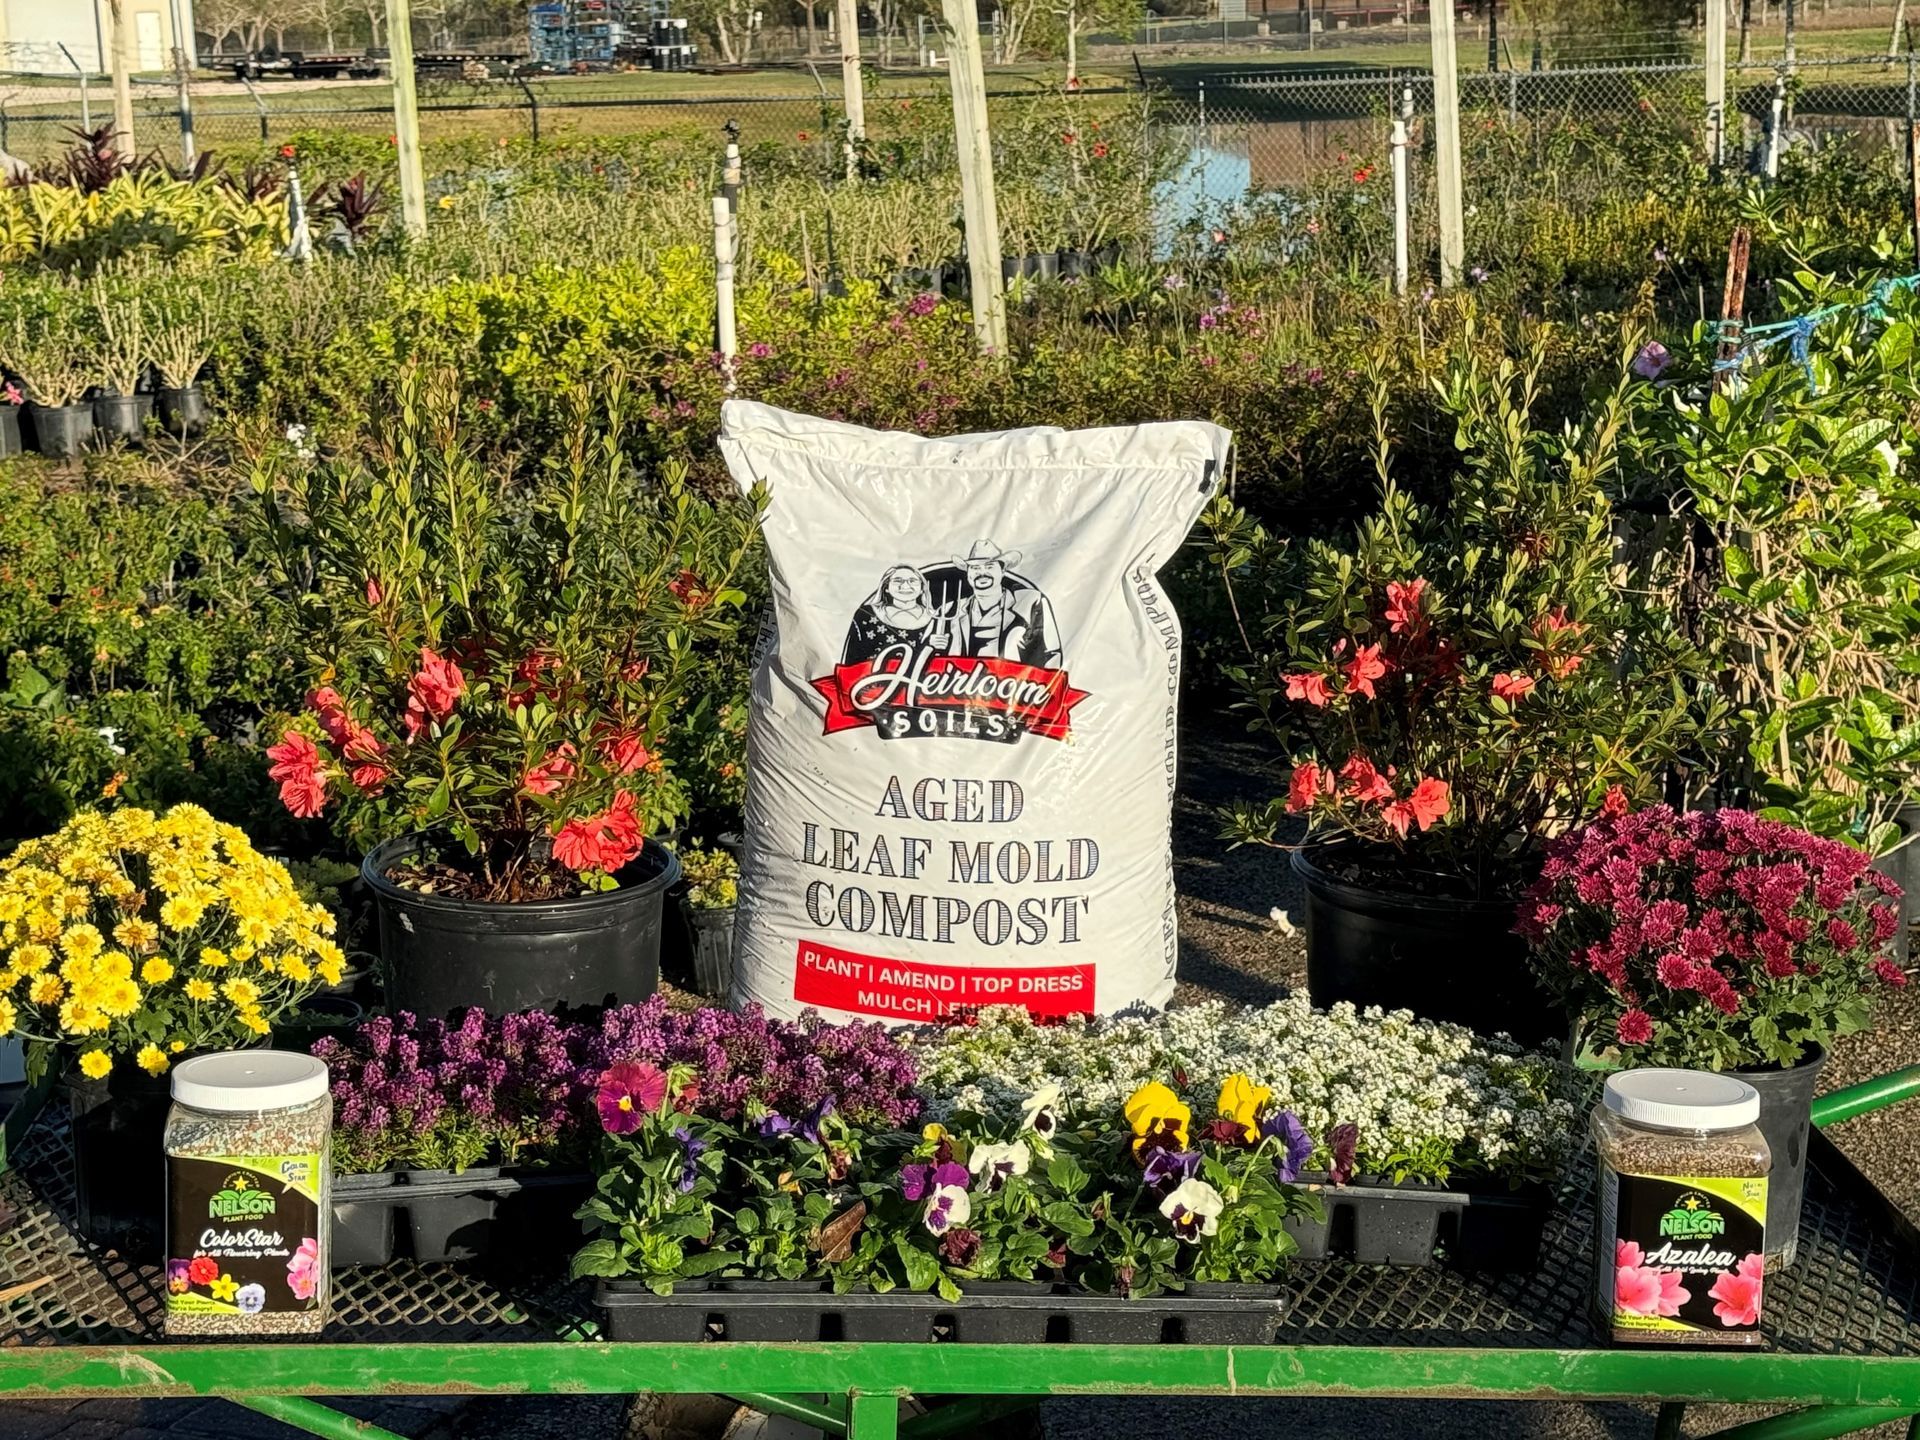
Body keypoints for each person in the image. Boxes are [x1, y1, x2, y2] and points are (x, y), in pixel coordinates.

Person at [948, 540, 1061, 669]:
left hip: (1012, 686)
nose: (982, 573)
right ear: (968, 574)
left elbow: (1052, 654)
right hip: (961, 685)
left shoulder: (1030, 601)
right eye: (975, 568)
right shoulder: (952, 610)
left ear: (1002, 571)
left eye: (989, 566)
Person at [843, 564, 941, 664]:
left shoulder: (938, 618)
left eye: (912, 581)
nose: (905, 586)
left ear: (922, 588)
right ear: (886, 587)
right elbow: (853, 658)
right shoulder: (867, 615)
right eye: (897, 581)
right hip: (875, 677)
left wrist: (936, 646)